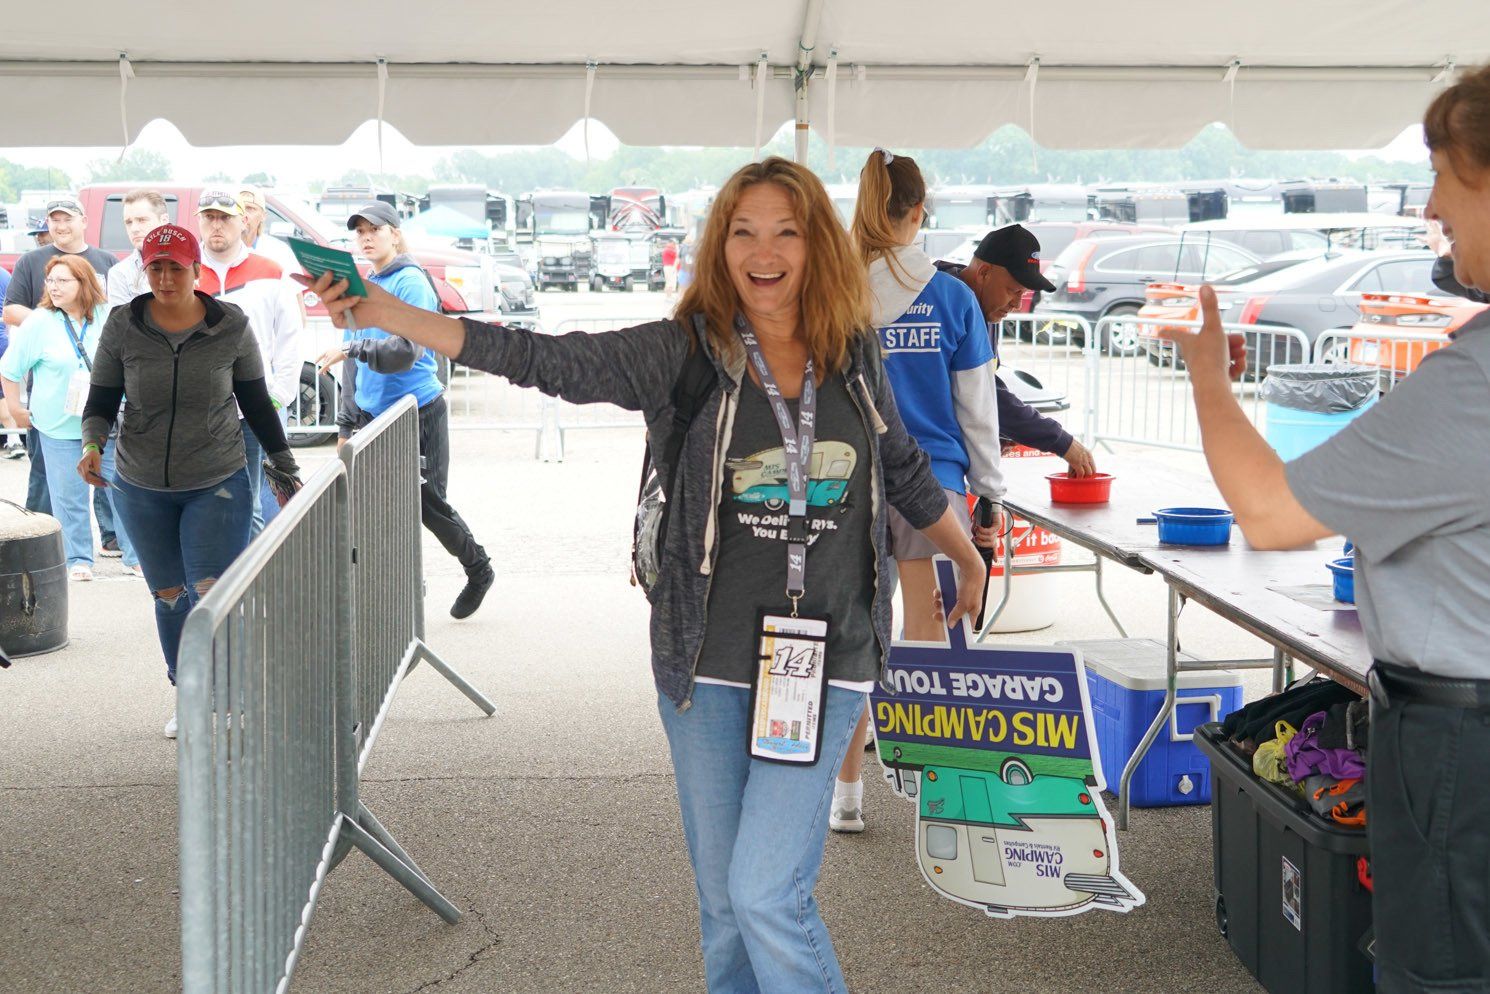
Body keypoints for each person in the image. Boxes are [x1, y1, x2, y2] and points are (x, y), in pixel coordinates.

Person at [300, 157, 987, 994]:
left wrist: (964, 549)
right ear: (719, 246)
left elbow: (904, 464)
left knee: (767, 893)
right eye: (743, 231)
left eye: (787, 232)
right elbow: (545, 358)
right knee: (725, 908)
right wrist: (385, 311)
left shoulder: (852, 354)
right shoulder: (684, 353)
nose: (763, 252)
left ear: (818, 247)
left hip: (825, 657)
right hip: (705, 664)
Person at [1156, 64, 1490, 994]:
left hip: (1461, 748)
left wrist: (1208, 376)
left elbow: (1268, 513)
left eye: (1442, 172)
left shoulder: (1475, 384)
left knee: (1441, 973)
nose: (1430, 205)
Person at [829, 149, 1005, 833]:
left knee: (852, 631)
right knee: (927, 631)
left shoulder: (839, 290)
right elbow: (977, 411)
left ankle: (847, 795)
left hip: (849, 478)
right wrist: (989, 494)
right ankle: (932, 789)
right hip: (934, 480)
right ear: (919, 211)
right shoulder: (955, 296)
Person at [78, 224, 300, 739]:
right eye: (155, 266)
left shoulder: (230, 324)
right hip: (140, 483)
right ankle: (191, 692)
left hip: (216, 477)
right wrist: (91, 445)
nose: (164, 276)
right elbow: (102, 400)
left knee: (212, 590)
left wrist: (283, 461)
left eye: (175, 266)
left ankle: (232, 687)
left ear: (197, 270)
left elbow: (255, 400)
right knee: (170, 594)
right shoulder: (122, 325)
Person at [315, 201, 494, 619]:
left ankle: (478, 569)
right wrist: (345, 424)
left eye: (374, 229)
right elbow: (355, 368)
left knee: (428, 506)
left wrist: (350, 347)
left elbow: (405, 352)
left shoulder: (412, 282)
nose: (366, 237)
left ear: (394, 233)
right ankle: (390, 593)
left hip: (418, 413)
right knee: (372, 509)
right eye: (359, 232)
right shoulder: (364, 285)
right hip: (373, 419)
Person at [0, 254, 137, 580]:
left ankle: (135, 557)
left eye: (63, 281)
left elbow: (132, 361)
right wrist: (17, 408)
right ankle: (77, 559)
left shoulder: (109, 316)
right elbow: (10, 368)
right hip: (57, 426)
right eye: (51, 281)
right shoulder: (40, 321)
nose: (54, 287)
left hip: (107, 424)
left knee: (122, 490)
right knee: (68, 495)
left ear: (84, 283)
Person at [935, 226, 1099, 475]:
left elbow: (985, 387)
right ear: (984, 272)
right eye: (1013, 290)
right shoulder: (945, 305)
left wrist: (996, 430)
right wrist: (1061, 441)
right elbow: (986, 393)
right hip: (931, 464)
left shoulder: (986, 309)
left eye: (1024, 293)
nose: (1017, 304)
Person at [194, 190, 303, 539]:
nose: (217, 225)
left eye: (225, 217)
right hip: (199, 410)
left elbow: (290, 338)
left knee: (251, 502)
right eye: (209, 217)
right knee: (204, 498)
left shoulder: (270, 272)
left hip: (254, 407)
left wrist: (278, 396)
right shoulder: (186, 273)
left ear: (244, 221)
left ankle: (253, 584)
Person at [4, 197, 117, 519]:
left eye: (67, 219)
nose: (60, 226)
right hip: (51, 393)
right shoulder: (32, 260)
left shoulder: (105, 259)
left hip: (99, 394)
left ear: (83, 221)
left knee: (106, 470)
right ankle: (42, 531)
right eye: (54, 220)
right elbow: (10, 311)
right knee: (46, 472)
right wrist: (56, 324)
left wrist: (82, 318)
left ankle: (111, 537)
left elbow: (111, 313)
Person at [106, 189, 172, 306]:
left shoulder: (191, 263)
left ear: (164, 220)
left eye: (142, 220)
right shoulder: (120, 273)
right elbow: (122, 323)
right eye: (129, 222)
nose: (134, 229)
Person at [236, 185, 301, 276]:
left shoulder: (279, 252)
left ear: (263, 216)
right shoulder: (218, 250)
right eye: (239, 209)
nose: (244, 215)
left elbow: (296, 288)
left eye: (250, 209)